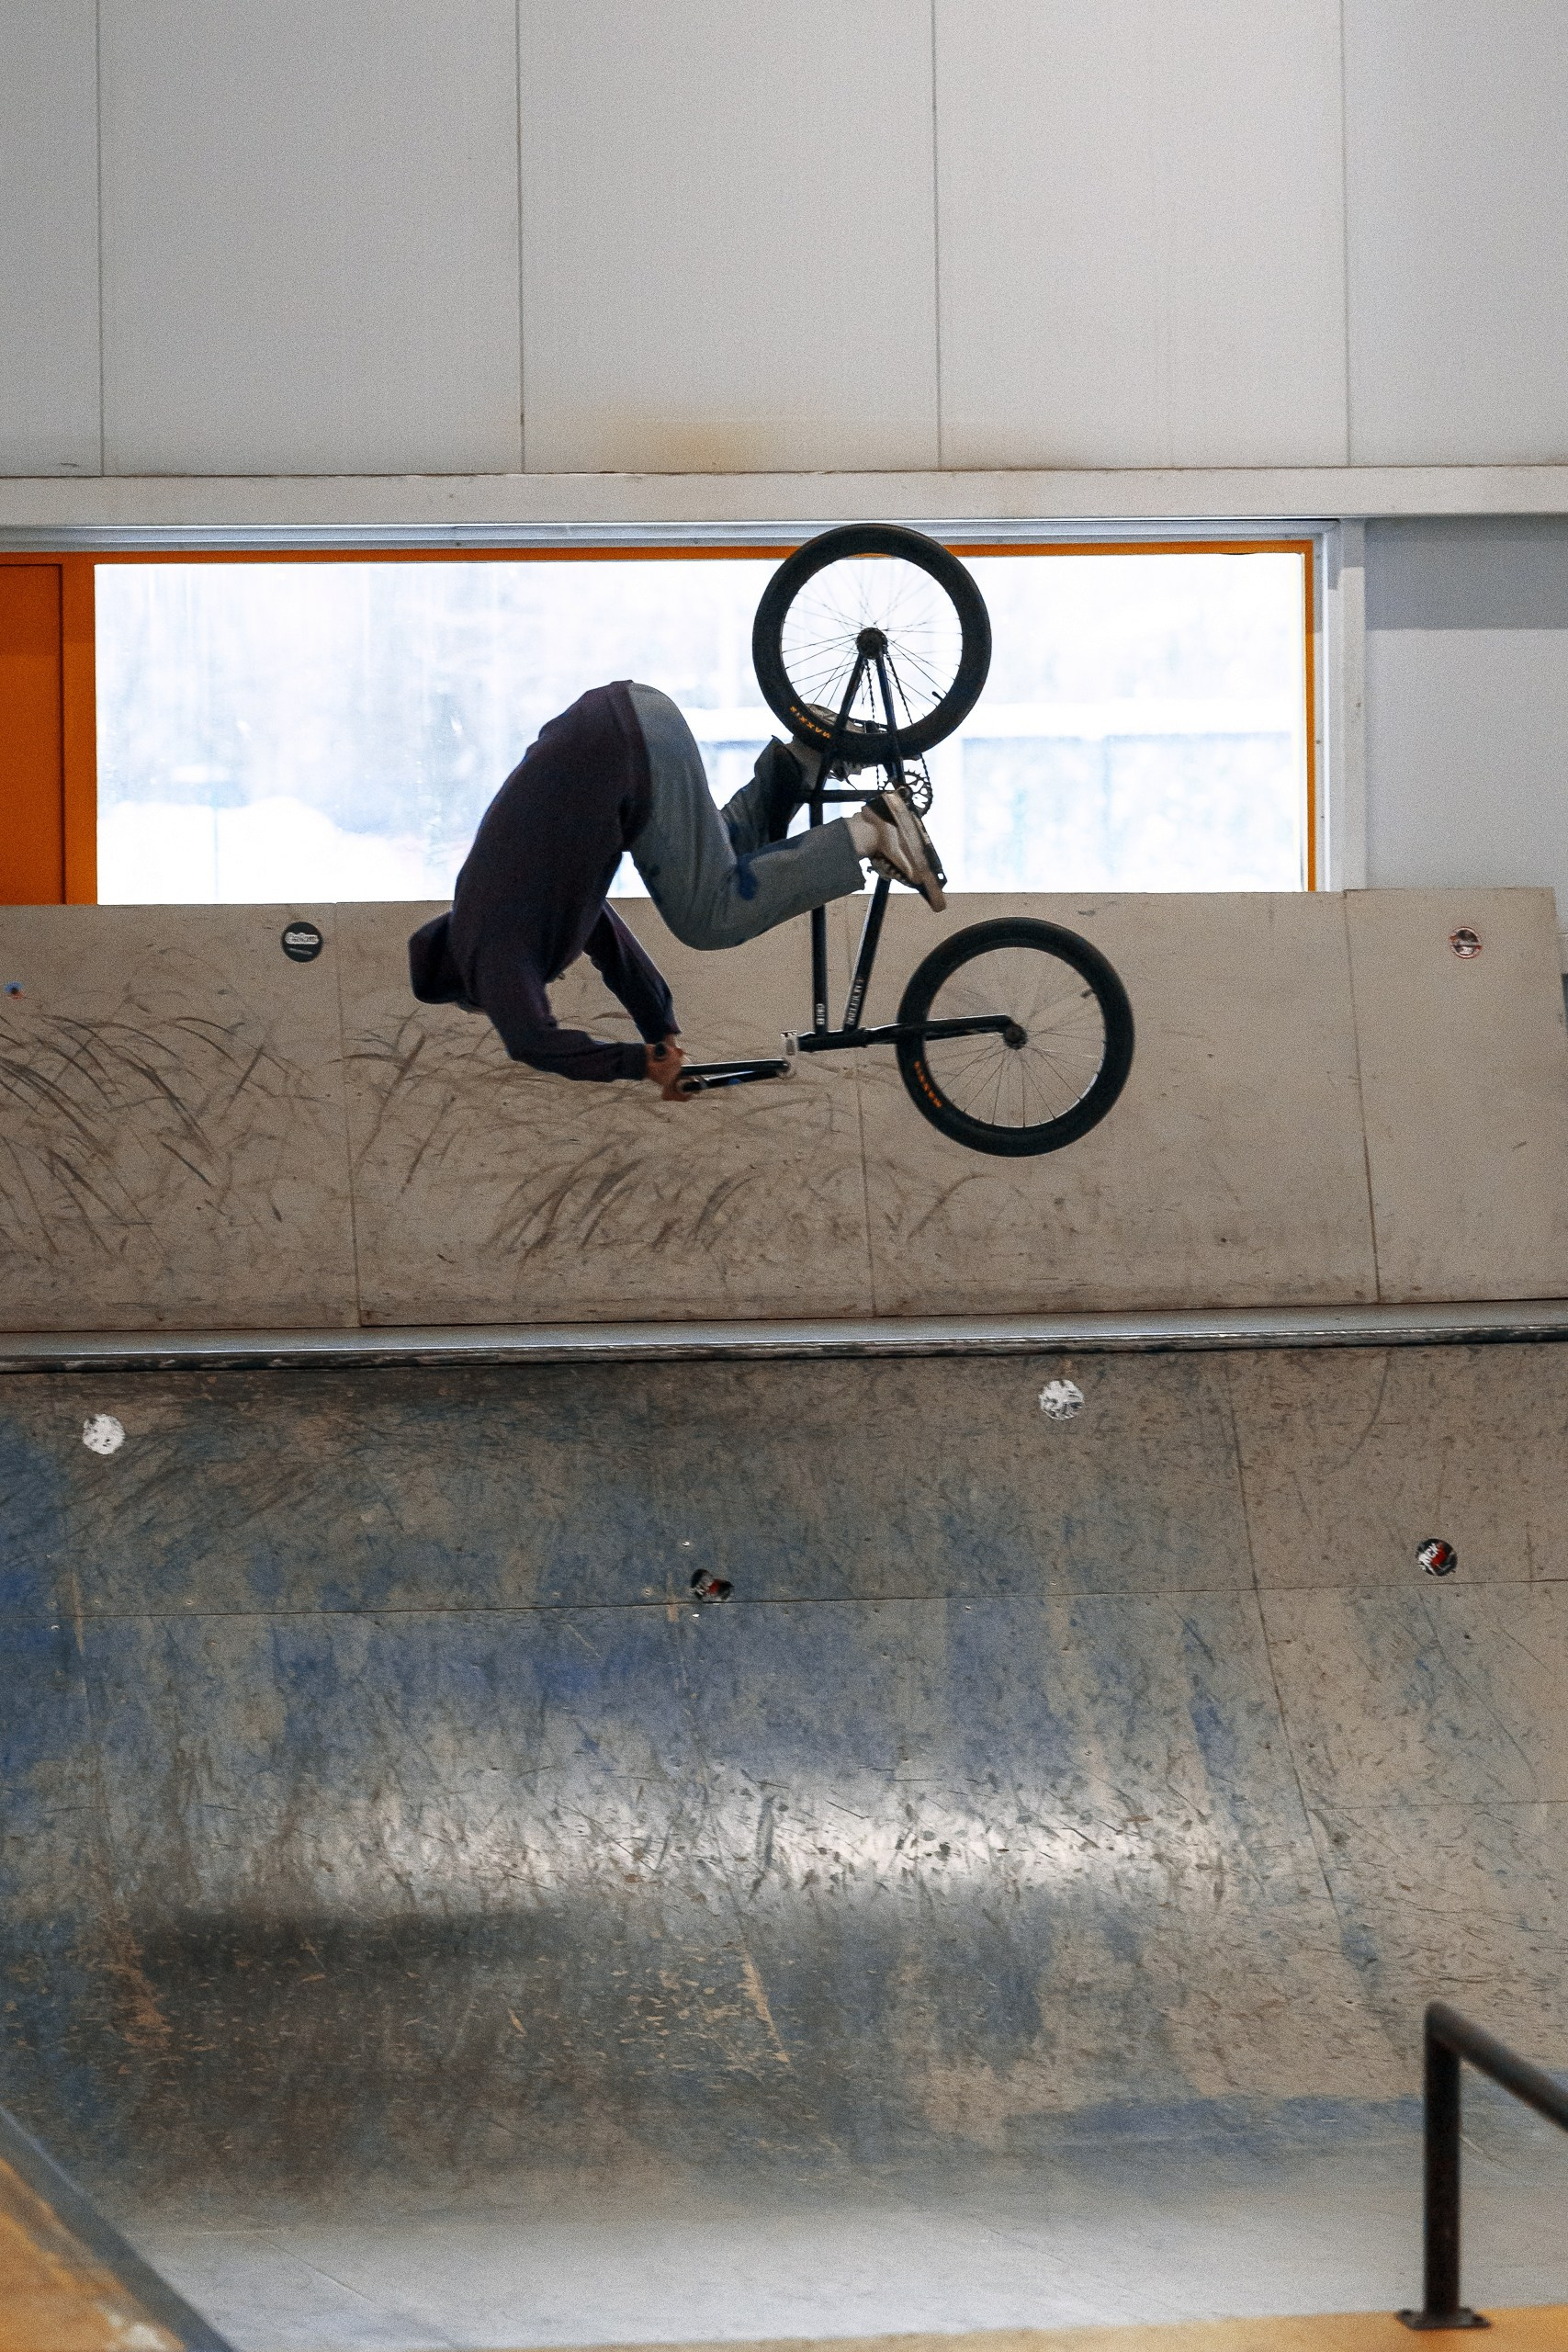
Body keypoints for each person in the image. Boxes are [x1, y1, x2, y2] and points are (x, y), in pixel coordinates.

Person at [407, 679, 944, 1098]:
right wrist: (659, 1035)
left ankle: (871, 831)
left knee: (709, 919)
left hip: (621, 752)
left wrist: (639, 1065)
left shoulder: (487, 951)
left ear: (471, 989)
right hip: (636, 717)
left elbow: (532, 1042)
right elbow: (612, 948)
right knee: (717, 874)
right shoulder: (508, 903)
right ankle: (804, 758)